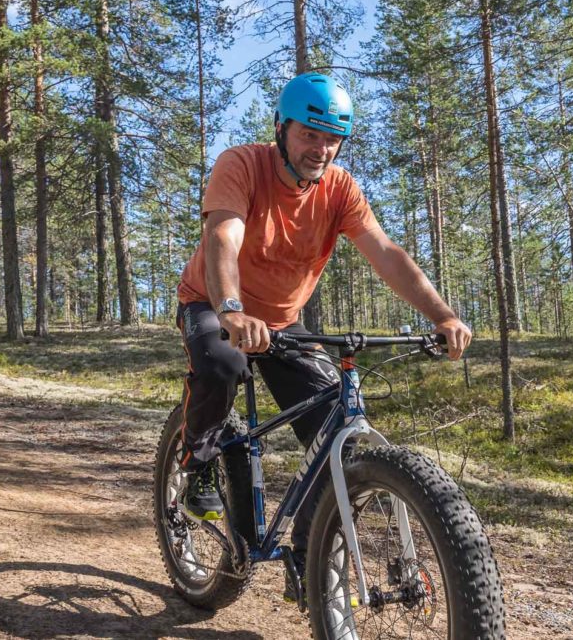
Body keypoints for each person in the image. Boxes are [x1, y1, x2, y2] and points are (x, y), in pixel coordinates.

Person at [174, 72, 471, 602]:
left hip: (284, 323)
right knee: (222, 366)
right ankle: (197, 462)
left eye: (332, 138)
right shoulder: (242, 164)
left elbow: (384, 253)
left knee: (337, 427)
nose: (321, 148)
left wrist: (442, 314)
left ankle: (307, 556)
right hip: (216, 303)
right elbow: (223, 235)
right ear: (282, 129)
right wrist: (232, 308)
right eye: (309, 134)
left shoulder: (339, 189)